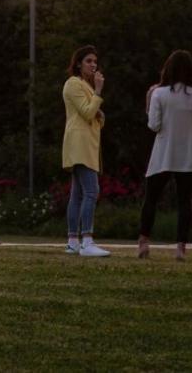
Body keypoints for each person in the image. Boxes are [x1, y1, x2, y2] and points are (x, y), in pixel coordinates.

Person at [138, 50, 192, 261]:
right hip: (189, 152)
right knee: (185, 201)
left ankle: (143, 242)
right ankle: (180, 248)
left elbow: (154, 125)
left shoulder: (159, 94)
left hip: (164, 153)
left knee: (151, 198)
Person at [62, 45, 110, 257]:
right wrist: (98, 92)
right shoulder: (74, 84)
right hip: (79, 144)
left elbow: (94, 116)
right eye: (89, 61)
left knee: (78, 193)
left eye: (95, 61)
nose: (93, 65)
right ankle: (87, 241)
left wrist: (98, 111)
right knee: (91, 191)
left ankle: (73, 241)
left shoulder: (84, 86)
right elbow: (88, 113)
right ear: (79, 63)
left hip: (85, 144)